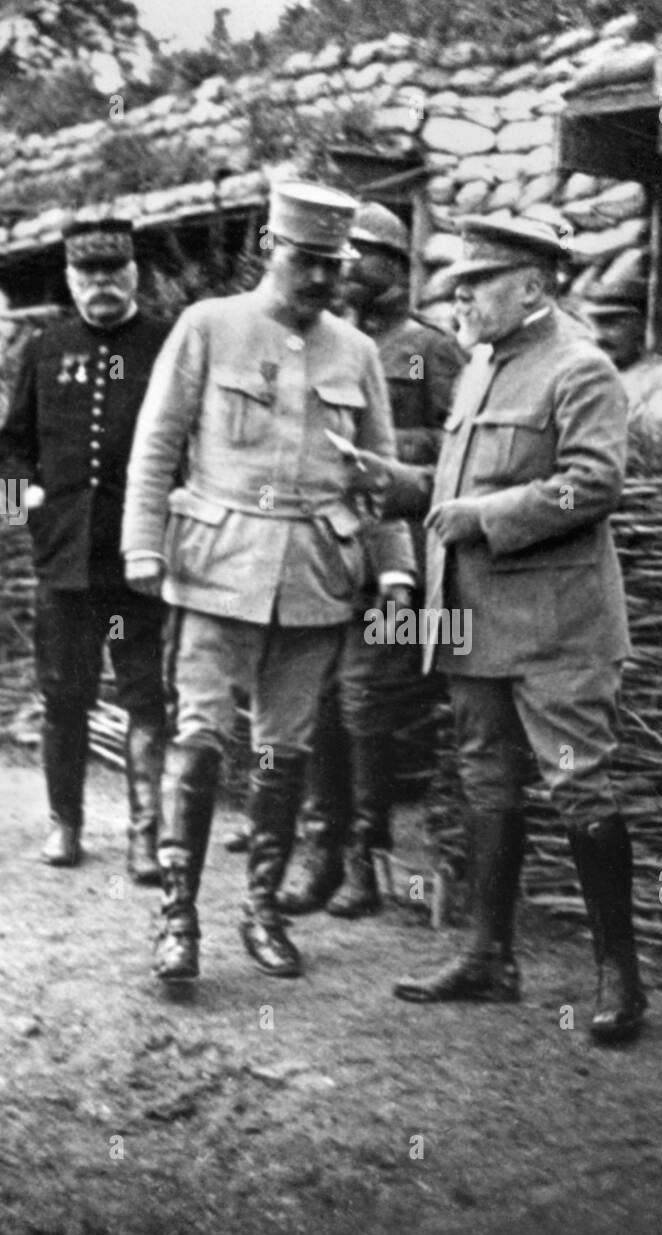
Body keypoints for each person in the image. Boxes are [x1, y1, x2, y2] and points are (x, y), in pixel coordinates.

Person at [341, 214, 649, 1045]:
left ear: (533, 286)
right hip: (472, 620)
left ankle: (620, 976)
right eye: (460, 285)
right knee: (485, 783)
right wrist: (395, 482)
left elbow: (593, 487)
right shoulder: (480, 368)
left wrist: (483, 515)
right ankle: (488, 955)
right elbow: (451, 486)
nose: (462, 298)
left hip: (557, 627)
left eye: (477, 284)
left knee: (580, 785)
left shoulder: (581, 369)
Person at [121, 181, 414, 983]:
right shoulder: (208, 327)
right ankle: (178, 915)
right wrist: (143, 545)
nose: (323, 279)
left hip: (317, 574)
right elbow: (156, 446)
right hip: (217, 567)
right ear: (270, 250)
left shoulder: (354, 352)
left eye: (334, 265)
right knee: (202, 738)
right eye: (308, 261)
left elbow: (378, 475)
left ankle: (261, 910)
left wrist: (395, 566)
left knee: (286, 750)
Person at [278, 201, 463, 920]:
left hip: (399, 563)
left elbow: (461, 450)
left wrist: (394, 455)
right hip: (332, 553)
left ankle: (366, 857)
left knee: (364, 705)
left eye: (364, 255)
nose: (347, 268)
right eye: (338, 256)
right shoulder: (329, 347)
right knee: (319, 703)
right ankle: (321, 854)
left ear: (396, 265)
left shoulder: (430, 347)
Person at [0, 219, 172, 879]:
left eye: (112, 272)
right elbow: (13, 441)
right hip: (65, 558)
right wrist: (20, 494)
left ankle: (144, 835)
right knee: (64, 694)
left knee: (145, 696)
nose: (100, 285)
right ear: (70, 280)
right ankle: (65, 824)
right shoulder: (44, 349)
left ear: (134, 275)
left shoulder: (166, 343)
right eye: (86, 275)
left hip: (139, 558)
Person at [573, 268, 662, 459]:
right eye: (588, 325)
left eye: (611, 323)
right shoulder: (575, 376)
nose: (597, 336)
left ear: (641, 325)